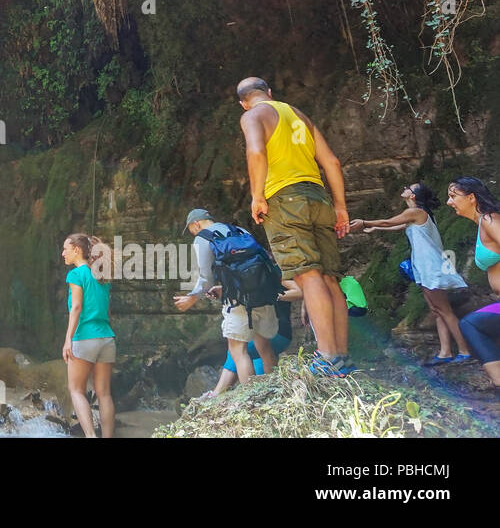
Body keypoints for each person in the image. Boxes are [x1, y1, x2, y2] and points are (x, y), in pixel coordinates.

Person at [236, 77, 352, 376]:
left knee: (308, 274)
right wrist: (340, 206)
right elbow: (332, 163)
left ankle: (326, 357)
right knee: (329, 278)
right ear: (270, 93)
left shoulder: (252, 115)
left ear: (243, 102)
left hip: (285, 200)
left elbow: (256, 152)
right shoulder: (299, 114)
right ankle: (341, 356)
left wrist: (258, 195)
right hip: (318, 196)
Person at [350, 183, 470, 365]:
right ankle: (445, 352)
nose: (404, 188)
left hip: (431, 267)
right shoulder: (417, 215)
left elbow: (388, 221)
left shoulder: (416, 212)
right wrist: (377, 229)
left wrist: (365, 223)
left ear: (413, 196)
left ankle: (464, 350)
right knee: (437, 311)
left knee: (445, 311)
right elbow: (395, 226)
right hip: (424, 266)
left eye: (409, 188)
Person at [175, 208, 279, 385]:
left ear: (196, 224)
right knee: (264, 346)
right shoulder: (239, 231)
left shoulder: (203, 238)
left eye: (191, 230)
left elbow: (205, 278)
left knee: (238, 351)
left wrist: (192, 297)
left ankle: (251, 400)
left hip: (238, 303)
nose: (193, 233)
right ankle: (277, 393)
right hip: (262, 295)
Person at [448, 178, 500, 395]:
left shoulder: (490, 219)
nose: (448, 202)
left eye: (453, 196)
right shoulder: (483, 223)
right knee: (473, 324)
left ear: (471, 197)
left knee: (472, 324)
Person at [61, 233, 115, 438]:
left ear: (77, 250)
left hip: (84, 337)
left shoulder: (76, 275)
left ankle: (91, 436)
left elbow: (76, 308)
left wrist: (68, 340)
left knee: (76, 390)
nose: (63, 253)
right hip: (107, 339)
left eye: (66, 248)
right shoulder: (102, 277)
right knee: (104, 394)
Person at [204, 297, 294, 398]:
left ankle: (218, 394)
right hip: (278, 329)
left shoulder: (279, 282)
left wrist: (274, 294)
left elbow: (299, 291)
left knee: (237, 350)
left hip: (276, 331)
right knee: (260, 353)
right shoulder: (270, 283)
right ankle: (273, 392)